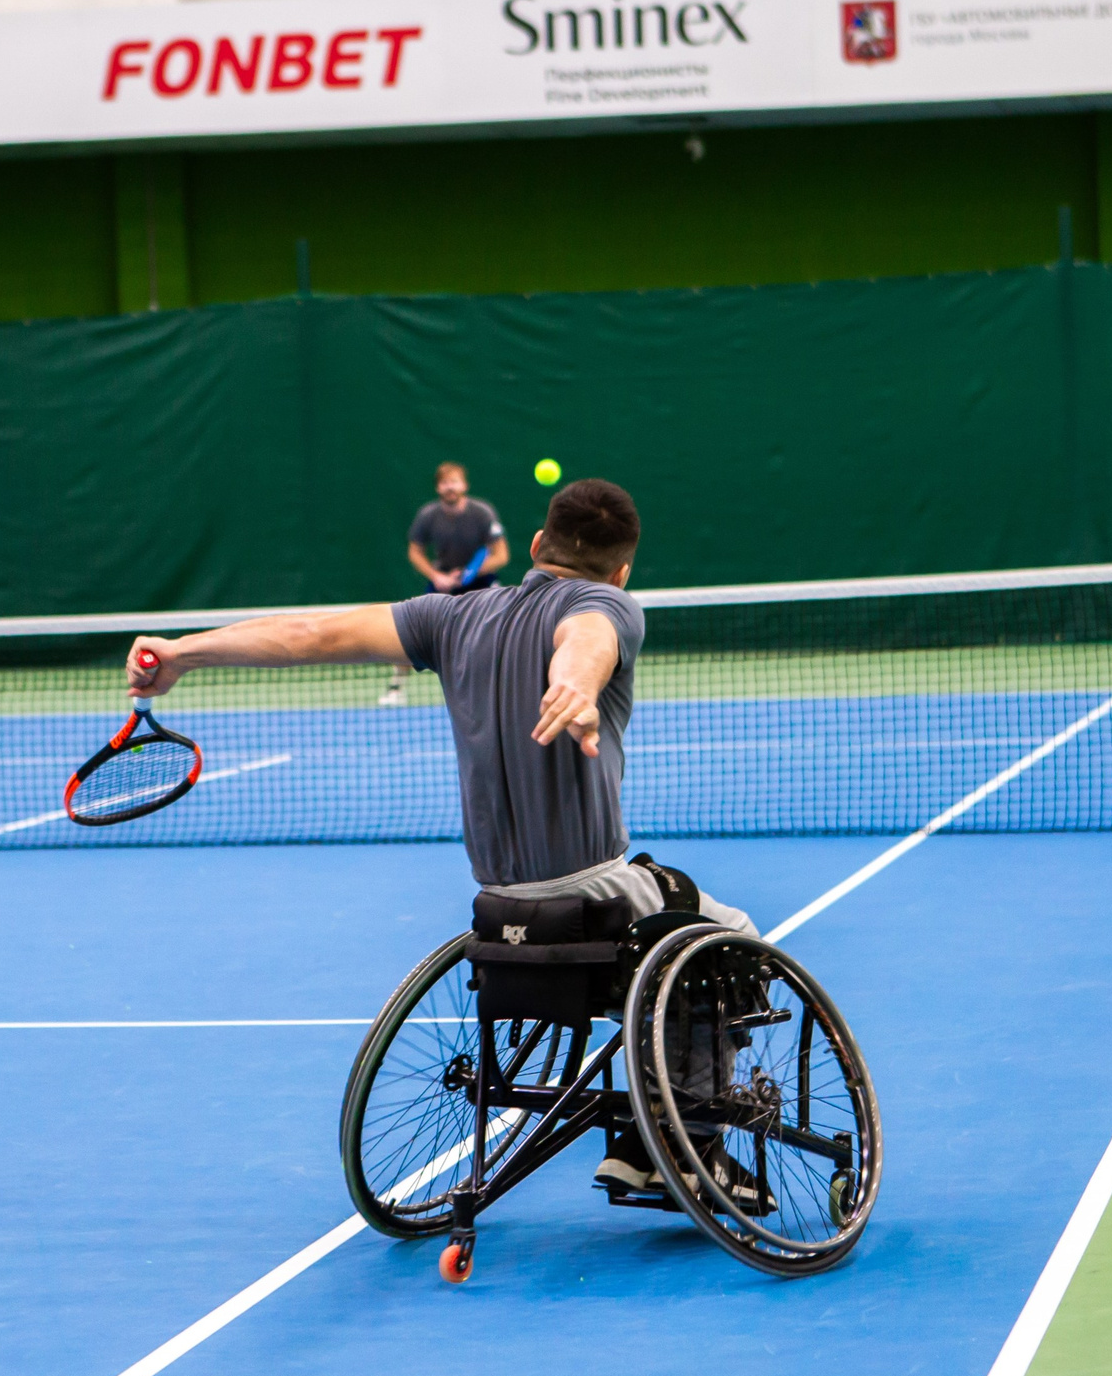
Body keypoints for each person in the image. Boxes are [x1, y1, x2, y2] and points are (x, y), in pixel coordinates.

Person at [128, 479, 762, 1201]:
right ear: (623, 572)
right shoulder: (610, 604)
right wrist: (576, 685)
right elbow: (584, 640)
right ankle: (683, 1147)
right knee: (734, 935)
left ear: (532, 548)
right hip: (595, 895)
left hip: (497, 908)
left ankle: (656, 1135)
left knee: (674, 916)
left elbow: (313, 633)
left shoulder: (449, 617)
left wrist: (182, 651)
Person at [384, 462, 509, 706]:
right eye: (444, 483)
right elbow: (415, 552)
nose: (450, 487)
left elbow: (501, 555)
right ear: (438, 488)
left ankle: (504, 686)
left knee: (504, 629)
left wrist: (471, 573)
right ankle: (396, 688)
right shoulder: (428, 515)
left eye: (454, 481)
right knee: (410, 629)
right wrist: (436, 576)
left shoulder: (482, 512)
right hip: (443, 582)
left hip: (481, 581)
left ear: (465, 485)